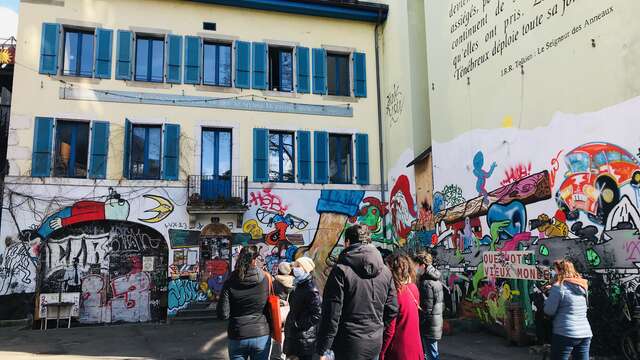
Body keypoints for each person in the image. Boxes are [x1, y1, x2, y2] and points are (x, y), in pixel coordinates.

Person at [316, 225, 399, 360]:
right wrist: (377, 328)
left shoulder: (340, 270)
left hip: (347, 344)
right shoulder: (385, 271)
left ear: (347, 242)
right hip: (374, 343)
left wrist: (323, 348)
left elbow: (331, 313)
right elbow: (393, 309)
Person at [217, 246, 272, 360]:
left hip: (238, 334)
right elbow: (269, 306)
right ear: (254, 260)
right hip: (261, 333)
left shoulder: (230, 281)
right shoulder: (265, 279)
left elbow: (223, 314)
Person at [543, 259, 592, 360]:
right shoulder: (582, 286)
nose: (553, 273)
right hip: (585, 332)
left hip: (564, 332)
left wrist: (547, 296)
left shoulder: (558, 288)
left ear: (559, 271)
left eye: (554, 270)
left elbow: (549, 311)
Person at [379, 253, 424, 360]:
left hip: (398, 352)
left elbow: (390, 330)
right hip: (416, 349)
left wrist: (381, 353)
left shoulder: (395, 294)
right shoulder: (413, 288)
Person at [283, 257, 322, 360]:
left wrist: (298, 324)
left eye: (298, 266)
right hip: (295, 337)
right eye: (295, 265)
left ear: (306, 269)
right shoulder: (298, 285)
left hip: (305, 340)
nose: (295, 268)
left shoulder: (311, 288)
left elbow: (317, 315)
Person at [414, 251, 444, 360]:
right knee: (432, 352)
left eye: (416, 265)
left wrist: (419, 320)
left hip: (428, 325)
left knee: (431, 354)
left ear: (423, 265)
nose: (415, 269)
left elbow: (426, 309)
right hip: (434, 322)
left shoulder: (426, 283)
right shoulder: (435, 278)